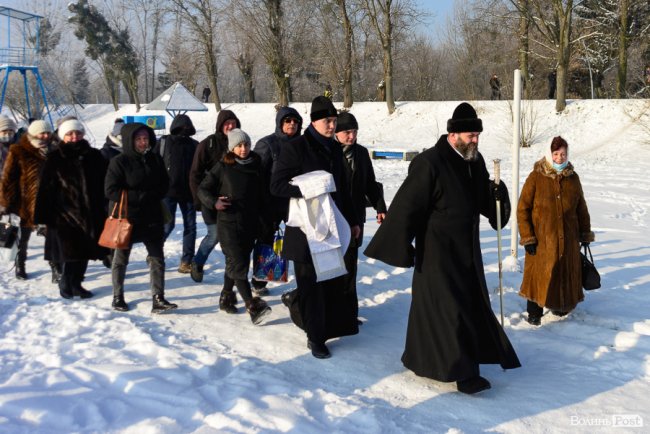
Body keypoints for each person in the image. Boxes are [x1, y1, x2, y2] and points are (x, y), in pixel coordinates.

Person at [363, 102, 521, 394]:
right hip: (438, 253)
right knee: (450, 311)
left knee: (465, 307)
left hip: (468, 251)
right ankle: (463, 374)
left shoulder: (475, 160)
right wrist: (402, 246)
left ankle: (422, 358)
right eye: (470, 135)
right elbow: (407, 207)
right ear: (453, 134)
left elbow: (484, 201)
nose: (475, 140)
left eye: (477, 135)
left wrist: (496, 194)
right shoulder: (430, 163)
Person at [271, 96, 360, 359]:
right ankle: (315, 337)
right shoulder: (296, 147)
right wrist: (310, 188)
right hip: (304, 229)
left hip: (331, 225)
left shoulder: (333, 149)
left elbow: (343, 188)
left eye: (334, 121)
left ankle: (326, 324)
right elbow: (276, 185)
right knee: (310, 283)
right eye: (328, 121)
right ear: (314, 121)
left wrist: (353, 220)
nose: (332, 126)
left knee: (330, 280)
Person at [517, 136, 594, 326]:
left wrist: (585, 233)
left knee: (564, 272)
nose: (560, 157)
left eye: (563, 154)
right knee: (538, 276)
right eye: (556, 154)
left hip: (568, 238)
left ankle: (561, 306)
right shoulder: (536, 176)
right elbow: (522, 208)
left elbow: (581, 208)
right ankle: (534, 312)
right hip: (542, 241)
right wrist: (528, 238)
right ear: (549, 154)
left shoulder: (572, 178)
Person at [197, 129, 272, 324]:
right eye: (239, 145)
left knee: (238, 263)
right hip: (228, 225)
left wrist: (267, 219)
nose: (243, 149)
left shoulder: (257, 165)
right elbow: (202, 189)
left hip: (250, 224)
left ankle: (226, 297)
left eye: (246, 144)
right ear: (232, 148)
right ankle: (252, 305)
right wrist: (214, 202)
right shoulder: (222, 167)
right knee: (238, 265)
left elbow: (263, 195)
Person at [105, 123, 177, 313]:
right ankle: (117, 296)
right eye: (139, 139)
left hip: (152, 216)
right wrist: (138, 196)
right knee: (121, 259)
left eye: (146, 138)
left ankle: (158, 298)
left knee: (157, 258)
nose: (143, 142)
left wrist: (156, 194)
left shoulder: (155, 159)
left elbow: (165, 183)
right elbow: (110, 190)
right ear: (130, 140)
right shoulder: (119, 162)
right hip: (127, 218)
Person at [33, 119, 108, 299]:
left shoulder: (94, 155)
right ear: (63, 136)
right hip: (64, 215)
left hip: (91, 213)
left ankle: (77, 284)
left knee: (85, 251)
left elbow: (105, 182)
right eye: (70, 134)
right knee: (71, 252)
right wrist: (42, 217)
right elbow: (45, 188)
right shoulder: (55, 158)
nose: (75, 137)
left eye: (78, 133)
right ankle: (66, 282)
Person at [335, 111, 386, 322]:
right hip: (334, 218)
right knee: (334, 266)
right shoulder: (328, 153)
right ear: (337, 133)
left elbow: (371, 184)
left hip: (356, 217)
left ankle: (348, 312)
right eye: (347, 132)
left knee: (351, 266)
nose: (351, 136)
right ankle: (331, 309)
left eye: (354, 132)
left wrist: (380, 206)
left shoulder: (362, 153)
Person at [0, 120, 61, 282]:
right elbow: (8, 179)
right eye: (42, 133)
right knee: (22, 238)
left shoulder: (57, 150)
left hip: (50, 202)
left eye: (48, 132)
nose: (45, 136)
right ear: (33, 134)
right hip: (24, 202)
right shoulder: (19, 151)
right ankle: (20, 265)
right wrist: (5, 203)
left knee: (52, 238)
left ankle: (56, 269)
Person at [252, 106, 303, 295]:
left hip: (294, 203)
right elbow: (256, 175)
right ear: (280, 123)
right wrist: (260, 202)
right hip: (270, 203)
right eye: (288, 121)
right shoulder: (267, 144)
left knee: (297, 243)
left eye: (295, 121)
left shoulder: (303, 144)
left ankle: (302, 282)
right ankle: (259, 281)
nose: (292, 124)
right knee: (265, 241)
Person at [189, 110, 240, 283]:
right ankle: (197, 262)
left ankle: (231, 275)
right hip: (209, 199)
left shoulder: (240, 142)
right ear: (220, 125)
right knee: (215, 235)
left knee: (231, 237)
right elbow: (194, 174)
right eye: (227, 123)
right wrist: (199, 200)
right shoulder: (208, 143)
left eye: (233, 123)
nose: (230, 126)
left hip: (231, 200)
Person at [154, 114, 199, 273]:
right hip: (167, 192)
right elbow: (153, 164)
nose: (184, 130)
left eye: (187, 128)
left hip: (189, 193)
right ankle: (155, 252)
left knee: (191, 227)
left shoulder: (195, 145)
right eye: (181, 127)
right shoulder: (164, 142)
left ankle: (186, 261)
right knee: (167, 225)